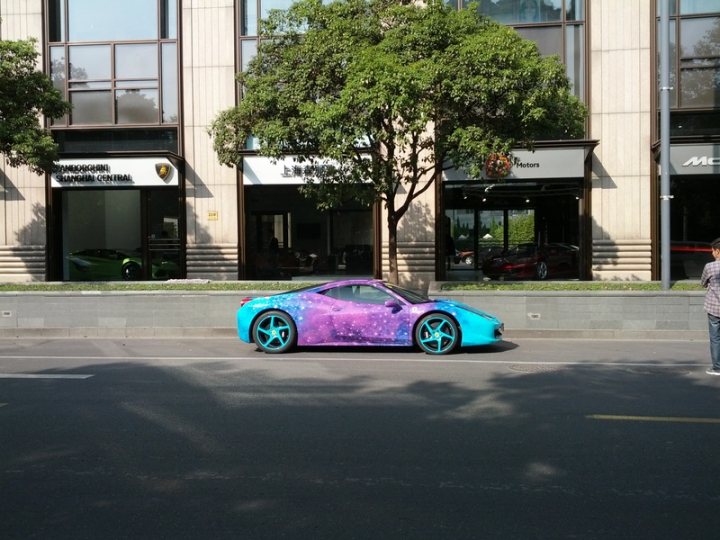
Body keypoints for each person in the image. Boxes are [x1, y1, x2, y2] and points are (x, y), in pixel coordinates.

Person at [700, 237, 720, 376]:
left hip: (714, 307)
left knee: (715, 337)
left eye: (712, 250)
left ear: (717, 251)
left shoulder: (710, 266)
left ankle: (717, 367)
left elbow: (703, 282)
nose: (712, 253)